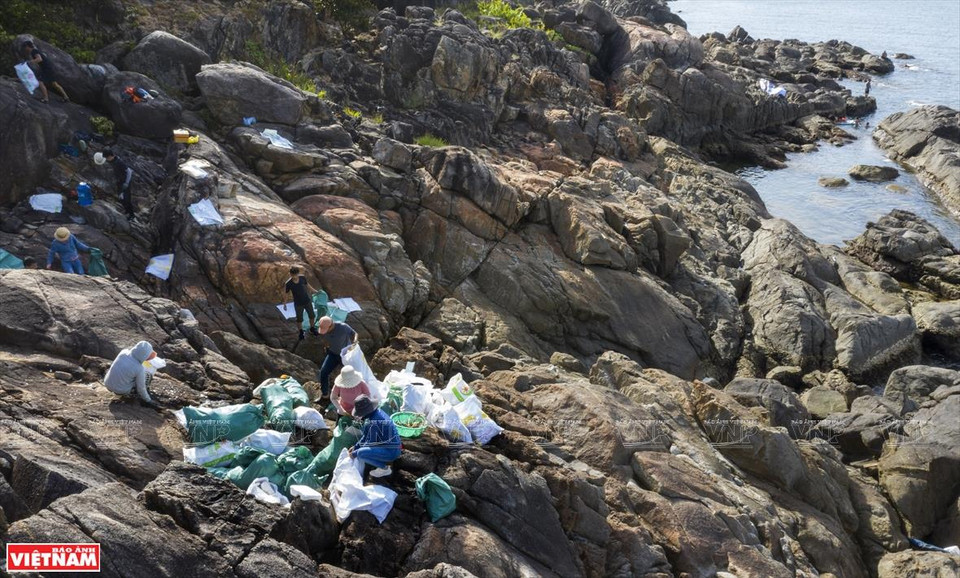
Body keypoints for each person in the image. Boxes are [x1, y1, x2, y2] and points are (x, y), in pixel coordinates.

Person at [349, 395, 401, 478]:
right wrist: (356, 446)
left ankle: (385, 469)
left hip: (391, 452)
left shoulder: (375, 422)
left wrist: (355, 453)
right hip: (389, 446)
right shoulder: (375, 414)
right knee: (359, 451)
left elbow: (370, 443)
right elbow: (366, 436)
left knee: (361, 454)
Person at [316, 316, 357, 402]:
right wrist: (326, 346)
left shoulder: (343, 327)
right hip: (333, 353)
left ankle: (348, 396)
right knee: (323, 372)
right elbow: (325, 338)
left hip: (345, 355)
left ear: (331, 326)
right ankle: (325, 395)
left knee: (348, 375)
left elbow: (355, 334)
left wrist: (354, 343)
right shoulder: (324, 328)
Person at [96, 149, 135, 218]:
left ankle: (132, 215)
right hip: (119, 182)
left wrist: (126, 183)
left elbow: (129, 171)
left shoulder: (119, 162)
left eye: (107, 158)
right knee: (121, 198)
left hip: (125, 183)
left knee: (127, 199)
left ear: (111, 156)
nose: (106, 159)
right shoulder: (113, 161)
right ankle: (126, 211)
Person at [284, 266, 319, 340]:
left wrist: (315, 291)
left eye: (295, 275)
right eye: (292, 275)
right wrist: (285, 304)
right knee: (299, 319)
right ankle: (300, 332)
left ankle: (312, 328)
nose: (294, 277)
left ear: (298, 273)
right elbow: (286, 294)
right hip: (298, 303)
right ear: (290, 274)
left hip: (307, 300)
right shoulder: (288, 283)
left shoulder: (302, 278)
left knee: (312, 315)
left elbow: (308, 285)